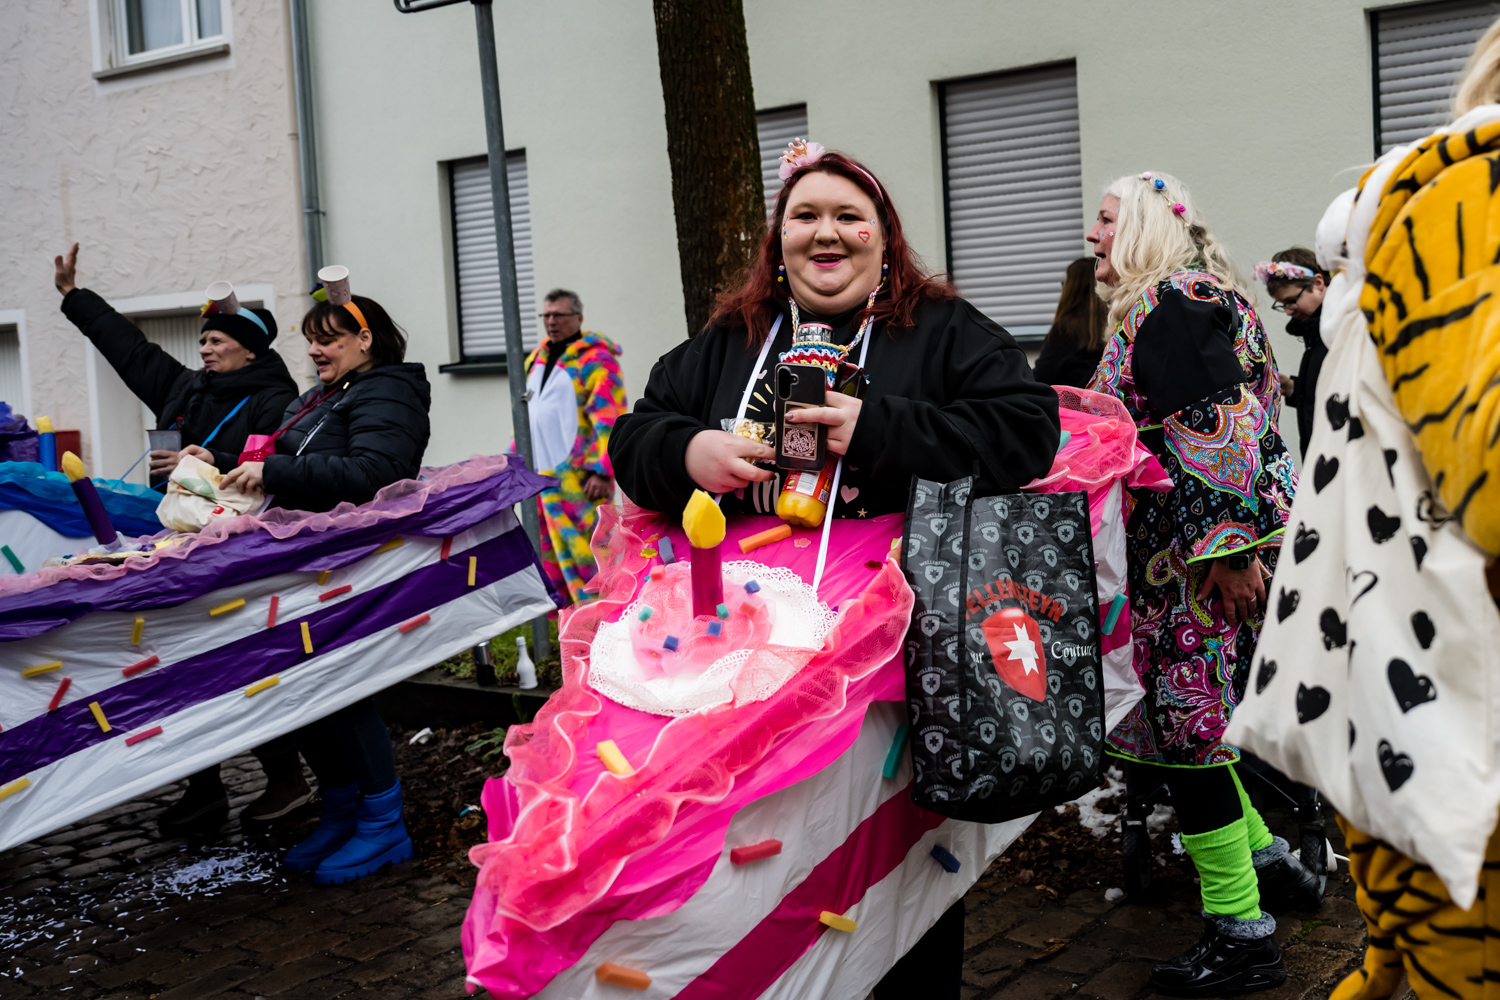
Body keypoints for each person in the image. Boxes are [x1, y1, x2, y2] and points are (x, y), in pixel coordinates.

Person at [610, 142, 1059, 999]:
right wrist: (690, 450)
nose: (827, 233)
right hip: (744, 651)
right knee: (766, 856)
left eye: (849, 216)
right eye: (805, 216)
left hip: (899, 661)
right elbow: (636, 438)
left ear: (883, 238)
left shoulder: (944, 330)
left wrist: (878, 427)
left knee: (892, 869)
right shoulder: (731, 339)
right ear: (778, 240)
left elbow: (1026, 431)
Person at [1085, 171, 1317, 996]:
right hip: (1186, 558)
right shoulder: (1181, 300)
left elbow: (1215, 427)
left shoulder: (1171, 304)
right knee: (1194, 730)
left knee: (1188, 736)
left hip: (1192, 566)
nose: (1092, 235)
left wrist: (1229, 551)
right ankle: (1273, 867)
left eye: (1104, 220)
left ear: (1143, 227)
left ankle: (1241, 935)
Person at [51, 242, 312, 830]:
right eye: (203, 341)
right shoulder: (186, 388)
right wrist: (74, 296)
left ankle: (287, 778)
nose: (205, 348)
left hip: (237, 554)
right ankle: (203, 786)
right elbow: (129, 348)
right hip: (175, 545)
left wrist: (201, 464)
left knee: (240, 663)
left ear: (249, 348)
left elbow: (268, 469)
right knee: (176, 665)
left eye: (217, 341)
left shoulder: (275, 399)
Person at [223, 271, 431, 884]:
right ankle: (342, 811)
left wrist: (276, 474)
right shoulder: (322, 396)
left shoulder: (389, 390)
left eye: (329, 338)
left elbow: (376, 471)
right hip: (304, 565)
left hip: (347, 566)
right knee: (304, 692)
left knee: (341, 689)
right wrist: (223, 463)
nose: (315, 349)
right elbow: (282, 459)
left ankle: (382, 823)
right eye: (311, 339)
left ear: (366, 340)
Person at [515, 288, 626, 603]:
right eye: (546, 315)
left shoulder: (596, 360)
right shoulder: (536, 359)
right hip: (541, 476)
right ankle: (565, 615)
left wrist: (604, 470)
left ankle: (603, 613)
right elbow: (525, 416)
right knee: (549, 553)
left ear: (578, 318)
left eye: (559, 315)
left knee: (591, 553)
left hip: (580, 480)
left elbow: (610, 416)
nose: (551, 321)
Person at [1256, 248, 1329, 458]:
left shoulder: (1341, 331)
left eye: (1291, 300)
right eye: (1283, 305)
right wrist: (1292, 387)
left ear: (1318, 283)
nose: (1288, 311)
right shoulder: (1314, 333)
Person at [1034, 256, 1109, 387]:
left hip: (1068, 399)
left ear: (1072, 289)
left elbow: (1039, 378)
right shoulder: (1116, 326)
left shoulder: (1065, 330)